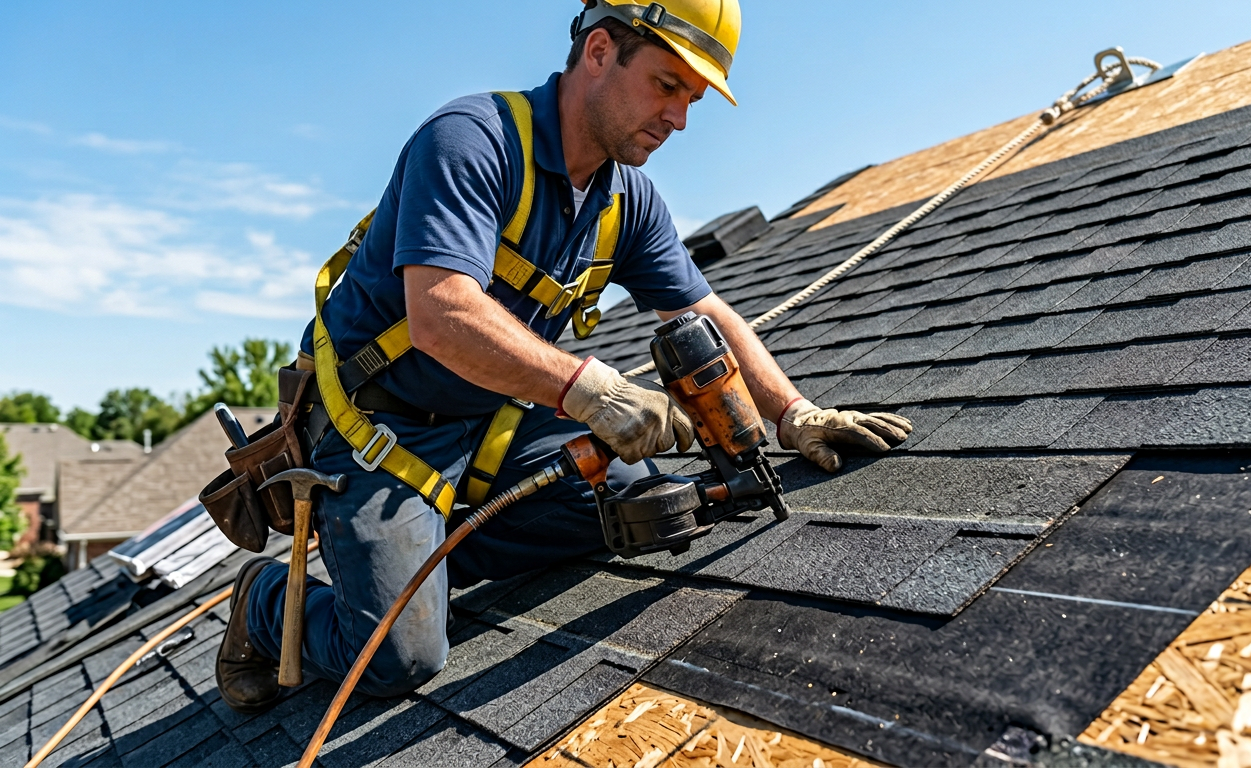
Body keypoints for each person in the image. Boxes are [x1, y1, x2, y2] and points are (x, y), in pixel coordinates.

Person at [217, 0, 913, 712]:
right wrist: (592, 392)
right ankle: (265, 603)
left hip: (487, 426)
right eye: (668, 85)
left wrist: (794, 413)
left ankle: (433, 549)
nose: (679, 119)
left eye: (693, 100)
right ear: (601, 51)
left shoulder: (625, 201)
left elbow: (703, 313)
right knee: (399, 657)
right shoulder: (471, 140)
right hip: (379, 430)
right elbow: (439, 313)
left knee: (645, 503)